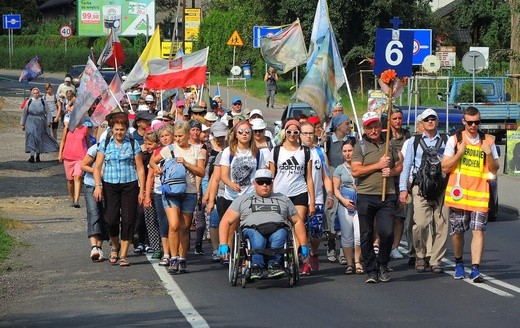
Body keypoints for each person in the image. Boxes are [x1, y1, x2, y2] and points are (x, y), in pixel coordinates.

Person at [441, 106, 499, 282]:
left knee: (478, 230)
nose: (474, 126)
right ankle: (459, 263)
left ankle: (475, 268)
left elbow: (495, 169)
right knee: (457, 232)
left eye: (477, 122)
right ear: (464, 122)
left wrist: (488, 154)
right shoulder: (455, 140)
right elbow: (445, 167)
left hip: (480, 195)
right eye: (470, 122)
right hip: (458, 196)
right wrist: (460, 152)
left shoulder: (488, 141)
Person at [218, 169, 309, 279]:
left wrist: (303, 244)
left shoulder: (283, 199)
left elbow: (297, 221)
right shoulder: (243, 199)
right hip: (252, 229)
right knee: (258, 240)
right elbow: (226, 220)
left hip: (277, 227)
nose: (264, 185)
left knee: (281, 235)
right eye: (261, 182)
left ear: (272, 183)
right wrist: (223, 243)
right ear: (254, 183)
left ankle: (274, 264)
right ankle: (256, 266)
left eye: (268, 182)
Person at [351, 111, 402, 283]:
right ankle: (371, 270)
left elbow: (399, 166)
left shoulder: (389, 145)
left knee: (387, 232)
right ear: (364, 129)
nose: (373, 130)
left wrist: (392, 171)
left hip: (387, 195)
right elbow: (356, 171)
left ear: (381, 126)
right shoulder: (360, 147)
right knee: (366, 234)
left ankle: (382, 264)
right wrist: (378, 166)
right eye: (369, 127)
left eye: (376, 126)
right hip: (366, 195)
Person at [150, 121, 205, 274]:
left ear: (188, 135)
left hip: (189, 192)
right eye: (176, 136)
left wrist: (186, 164)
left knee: (184, 227)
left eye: (180, 136)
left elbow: (201, 172)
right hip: (170, 191)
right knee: (173, 225)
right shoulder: (169, 149)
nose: (177, 139)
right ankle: (173, 258)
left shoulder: (197, 151)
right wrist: (157, 168)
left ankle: (182, 258)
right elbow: (152, 161)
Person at [93, 113, 146, 267]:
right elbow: (97, 167)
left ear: (126, 129)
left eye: (122, 129)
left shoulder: (132, 143)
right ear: (112, 129)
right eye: (116, 129)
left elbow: (140, 168)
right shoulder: (105, 143)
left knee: (129, 220)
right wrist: (98, 186)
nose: (119, 132)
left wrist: (142, 190)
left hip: (129, 184)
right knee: (110, 219)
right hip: (110, 185)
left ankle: (123, 255)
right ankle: (115, 245)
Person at [399, 108, 448, 274]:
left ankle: (435, 260)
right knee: (419, 223)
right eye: (427, 119)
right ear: (422, 123)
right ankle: (420, 255)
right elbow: (406, 167)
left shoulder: (447, 140)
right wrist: (403, 189)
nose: (430, 121)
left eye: (433, 119)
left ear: (437, 121)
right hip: (420, 187)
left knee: (441, 225)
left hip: (442, 188)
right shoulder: (413, 142)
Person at [269, 119, 315, 235]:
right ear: (285, 132)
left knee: (298, 224)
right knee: (280, 226)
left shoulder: (305, 151)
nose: (292, 135)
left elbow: (309, 178)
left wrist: (312, 202)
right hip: (279, 193)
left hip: (299, 192)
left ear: (299, 134)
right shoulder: (276, 151)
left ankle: (301, 251)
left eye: (296, 132)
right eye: (289, 132)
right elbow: (271, 176)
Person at [299, 122, 334, 275]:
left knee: (315, 232)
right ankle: (304, 261)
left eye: (310, 133)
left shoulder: (320, 153)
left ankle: (313, 252)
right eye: (305, 133)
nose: (308, 136)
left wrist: (330, 194)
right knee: (301, 231)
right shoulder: (295, 152)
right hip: (298, 199)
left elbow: (326, 177)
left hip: (318, 198)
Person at [324, 113, 353, 263]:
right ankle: (330, 244)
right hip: (332, 182)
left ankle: (344, 250)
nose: (349, 126)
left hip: (347, 185)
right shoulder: (328, 142)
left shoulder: (352, 141)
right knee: (331, 214)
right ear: (338, 126)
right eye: (347, 124)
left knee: (345, 217)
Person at [333, 139, 363, 275]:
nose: (347, 154)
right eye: (345, 151)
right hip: (345, 205)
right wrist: (343, 201)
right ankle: (349, 263)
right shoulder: (339, 169)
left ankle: (358, 261)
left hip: (359, 204)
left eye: (350, 151)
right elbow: (335, 189)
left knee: (358, 235)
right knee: (346, 236)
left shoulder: (361, 166)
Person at [386, 108, 410, 260]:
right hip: (386, 178)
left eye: (400, 118)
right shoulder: (384, 134)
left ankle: (395, 246)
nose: (397, 121)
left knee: (400, 216)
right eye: (394, 118)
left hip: (401, 177)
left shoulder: (407, 135)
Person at [81, 143, 107, 262]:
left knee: (105, 215)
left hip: (109, 186)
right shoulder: (95, 148)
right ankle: (94, 247)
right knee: (93, 213)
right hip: (91, 185)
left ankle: (99, 247)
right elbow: (83, 165)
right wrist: (97, 171)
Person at [58, 117, 91, 208]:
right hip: (68, 156)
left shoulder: (85, 129)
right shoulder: (68, 128)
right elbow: (63, 141)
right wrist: (60, 153)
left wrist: (91, 155)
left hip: (81, 157)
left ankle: (76, 200)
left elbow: (88, 143)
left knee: (78, 176)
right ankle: (71, 197)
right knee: (70, 180)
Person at [21, 87, 59, 163]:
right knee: (31, 135)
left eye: (37, 93)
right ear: (32, 93)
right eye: (34, 93)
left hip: (40, 121)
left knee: (38, 137)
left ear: (39, 93)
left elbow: (48, 112)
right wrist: (23, 123)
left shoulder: (43, 101)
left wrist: (49, 121)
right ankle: (32, 156)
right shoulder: (29, 101)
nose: (36, 94)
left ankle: (37, 155)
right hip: (30, 120)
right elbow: (25, 112)